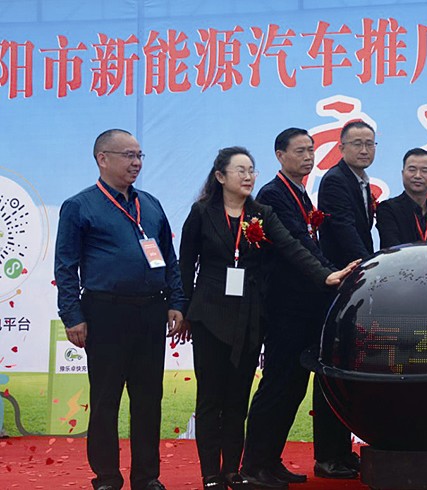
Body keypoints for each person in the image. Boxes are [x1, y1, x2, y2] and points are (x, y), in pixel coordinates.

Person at [178, 146, 358, 490]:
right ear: (220, 176)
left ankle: (233, 471)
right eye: (240, 171)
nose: (248, 177)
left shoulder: (262, 213)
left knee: (237, 398)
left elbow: (293, 247)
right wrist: (182, 309)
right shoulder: (202, 213)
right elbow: (187, 264)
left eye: (251, 170)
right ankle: (211, 476)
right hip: (209, 316)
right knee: (211, 398)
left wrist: (325, 275)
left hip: (249, 315)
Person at [55, 129, 187, 490]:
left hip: (151, 312)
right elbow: (65, 266)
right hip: (105, 313)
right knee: (105, 400)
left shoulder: (151, 204)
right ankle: (107, 478)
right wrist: (72, 315)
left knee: (148, 399)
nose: (136, 163)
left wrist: (176, 302)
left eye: (139, 155)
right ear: (102, 159)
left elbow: (169, 259)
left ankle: (147, 477)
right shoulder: (79, 206)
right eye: (128, 155)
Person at [242, 129, 358, 485]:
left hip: (306, 305)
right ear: (280, 155)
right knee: (278, 384)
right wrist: (329, 273)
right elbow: (295, 245)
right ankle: (254, 465)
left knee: (293, 387)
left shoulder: (302, 193)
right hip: (285, 306)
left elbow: (309, 243)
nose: (308, 157)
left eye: (311, 150)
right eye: (300, 151)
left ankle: (271, 460)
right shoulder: (273, 195)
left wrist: (331, 273)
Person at [318, 120, 376, 267]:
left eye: (369, 144)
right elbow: (344, 229)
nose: (364, 150)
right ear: (342, 148)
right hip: (343, 268)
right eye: (357, 144)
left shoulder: (361, 180)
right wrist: (367, 266)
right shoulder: (335, 180)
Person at [376, 147, 427, 248]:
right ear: (402, 174)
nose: (417, 176)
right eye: (412, 170)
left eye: (424, 171)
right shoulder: (388, 209)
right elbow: (392, 248)